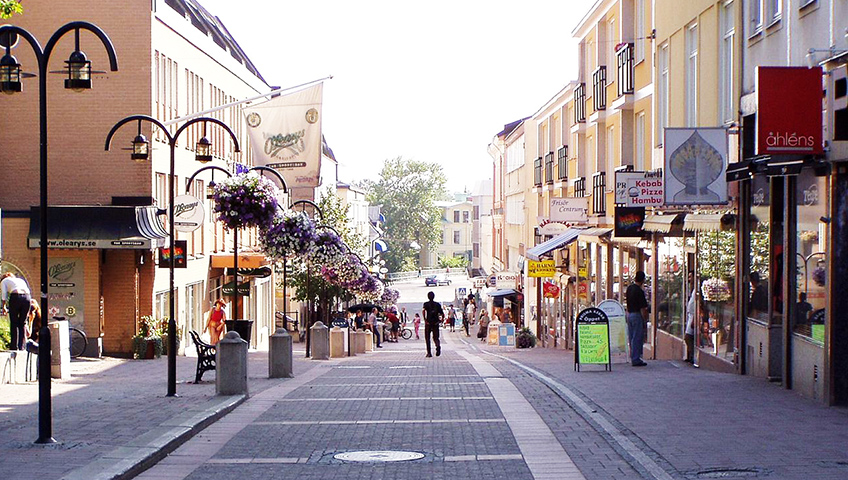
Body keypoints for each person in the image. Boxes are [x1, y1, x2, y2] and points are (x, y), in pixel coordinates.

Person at [1, 272, 32, 350]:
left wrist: (4, 306)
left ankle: (14, 346)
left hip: (16, 296)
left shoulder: (4, 281)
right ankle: (22, 346)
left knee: (14, 322)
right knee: (23, 322)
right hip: (27, 297)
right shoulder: (20, 280)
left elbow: (4, 294)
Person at [625, 271, 649, 367]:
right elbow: (643, 308)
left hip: (629, 314)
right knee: (637, 337)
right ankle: (636, 359)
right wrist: (645, 319)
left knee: (631, 337)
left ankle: (633, 356)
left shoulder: (630, 288)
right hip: (637, 315)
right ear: (643, 280)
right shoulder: (639, 291)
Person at [422, 291, 443, 357]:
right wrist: (441, 320)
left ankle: (429, 353)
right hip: (435, 323)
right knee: (436, 337)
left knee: (427, 338)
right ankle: (438, 346)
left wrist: (425, 319)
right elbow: (441, 313)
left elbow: (423, 311)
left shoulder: (426, 304)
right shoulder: (437, 304)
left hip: (428, 323)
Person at [684, 272, 696, 364]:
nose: (689, 279)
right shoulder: (691, 288)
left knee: (688, 336)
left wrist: (695, 318)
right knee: (690, 336)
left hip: (693, 315)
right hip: (690, 315)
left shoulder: (697, 289)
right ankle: (691, 354)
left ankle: (692, 355)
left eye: (690, 277)